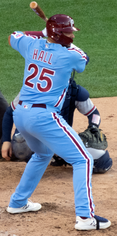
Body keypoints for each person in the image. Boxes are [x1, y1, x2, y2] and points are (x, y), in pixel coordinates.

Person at [6, 14, 111, 231]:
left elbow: (13, 36)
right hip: (44, 117)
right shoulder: (70, 55)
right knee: (84, 160)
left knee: (43, 154)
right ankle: (85, 217)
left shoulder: (30, 44)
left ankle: (17, 202)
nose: (72, 35)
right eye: (69, 32)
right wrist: (50, 38)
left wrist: (41, 35)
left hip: (21, 115)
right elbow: (85, 59)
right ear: (58, 34)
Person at [1, 76, 112, 173]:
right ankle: (50, 156)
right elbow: (10, 113)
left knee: (103, 162)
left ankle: (59, 155)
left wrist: (93, 127)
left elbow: (94, 114)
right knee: (21, 143)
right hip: (34, 136)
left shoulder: (73, 91)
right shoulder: (33, 89)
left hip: (58, 137)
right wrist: (5, 140)